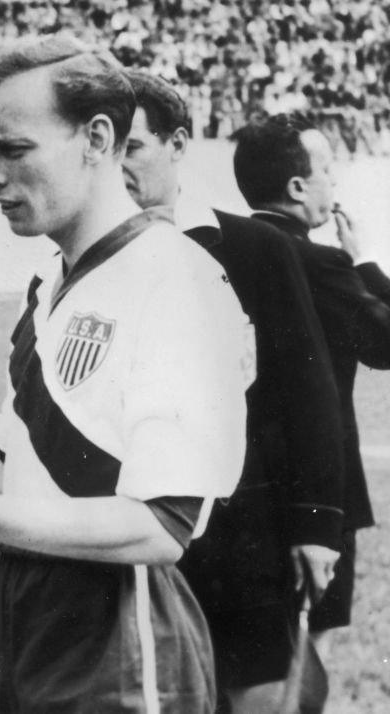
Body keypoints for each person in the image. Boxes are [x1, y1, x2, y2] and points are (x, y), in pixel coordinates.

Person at [0, 35, 254, 713]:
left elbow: (159, 528)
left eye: (11, 149)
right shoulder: (48, 282)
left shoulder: (177, 280)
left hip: (121, 639)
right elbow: (15, 472)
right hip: (27, 622)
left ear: (97, 139)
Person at [122, 72, 345, 713]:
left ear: (179, 144)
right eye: (105, 152)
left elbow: (308, 393)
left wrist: (317, 526)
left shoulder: (255, 248)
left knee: (257, 695)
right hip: (135, 533)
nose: (118, 169)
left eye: (134, 148)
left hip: (248, 530)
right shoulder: (86, 264)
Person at [232, 112, 390, 663]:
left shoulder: (227, 247)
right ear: (298, 187)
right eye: (327, 170)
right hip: (318, 488)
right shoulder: (318, 261)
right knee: (305, 658)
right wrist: (364, 260)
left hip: (244, 488)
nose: (335, 182)